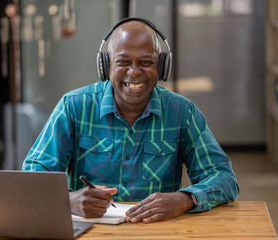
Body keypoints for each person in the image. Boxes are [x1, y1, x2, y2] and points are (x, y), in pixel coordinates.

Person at [22, 17, 239, 224]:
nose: (134, 72)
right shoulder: (74, 106)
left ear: (162, 66)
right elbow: (32, 177)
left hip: (158, 231)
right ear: (106, 66)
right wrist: (69, 200)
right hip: (90, 231)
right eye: (123, 62)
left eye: (146, 62)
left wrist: (184, 199)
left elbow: (224, 177)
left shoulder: (182, 112)